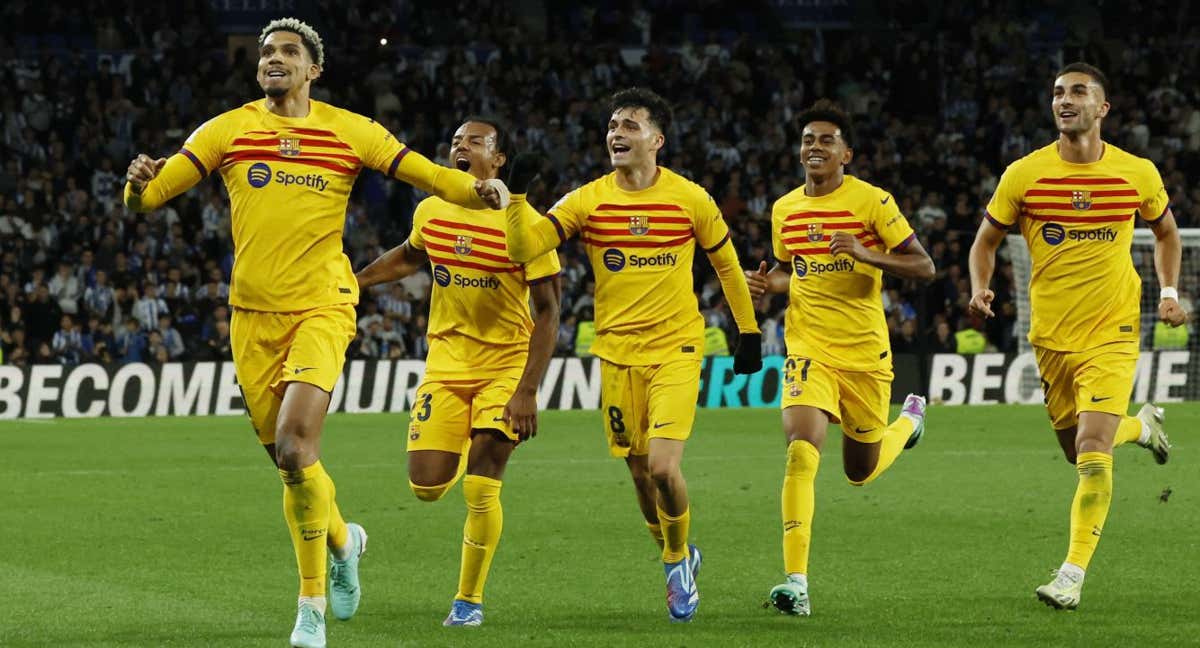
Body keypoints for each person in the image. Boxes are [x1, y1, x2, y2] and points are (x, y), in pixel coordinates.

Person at [122, 17, 508, 648]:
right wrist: (134, 186)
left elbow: (424, 173)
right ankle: (343, 539)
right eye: (267, 52)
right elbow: (151, 197)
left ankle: (310, 610)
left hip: (322, 306)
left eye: (289, 52)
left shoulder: (350, 130)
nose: (274, 58)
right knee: (290, 465)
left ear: (313, 70)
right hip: (252, 316)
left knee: (298, 447)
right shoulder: (228, 129)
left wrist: (478, 189)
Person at [503, 87, 762, 622]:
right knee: (641, 474)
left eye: (629, 126)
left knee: (665, 469)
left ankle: (674, 563)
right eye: (612, 125)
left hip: (677, 348)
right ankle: (678, 553)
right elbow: (524, 249)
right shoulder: (587, 200)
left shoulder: (691, 198)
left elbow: (729, 268)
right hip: (617, 355)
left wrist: (749, 333)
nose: (616, 134)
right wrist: (518, 201)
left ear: (657, 140)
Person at [968, 62, 1185, 611]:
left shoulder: (1136, 172)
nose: (1065, 100)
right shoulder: (1024, 174)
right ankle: (1142, 427)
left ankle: (1071, 574)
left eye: (1078, 92)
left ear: (1102, 108)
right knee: (1076, 449)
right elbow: (985, 241)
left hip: (1112, 328)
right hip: (1050, 335)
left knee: (1091, 450)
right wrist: (980, 287)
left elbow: (1166, 232)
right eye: (1058, 93)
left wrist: (1169, 290)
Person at [356, 117, 561, 627]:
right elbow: (409, 256)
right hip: (446, 364)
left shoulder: (528, 223)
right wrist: (355, 281)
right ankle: (470, 441)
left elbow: (550, 310)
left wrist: (528, 391)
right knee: (426, 486)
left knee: (481, 484)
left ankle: (468, 601)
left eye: (474, 141)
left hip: (506, 367)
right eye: (454, 141)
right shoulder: (432, 209)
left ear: (499, 160)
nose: (459, 147)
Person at [743, 99, 934, 617]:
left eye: (826, 140)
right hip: (807, 348)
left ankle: (906, 425)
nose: (815, 147)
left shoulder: (872, 202)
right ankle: (796, 583)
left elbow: (924, 266)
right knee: (802, 448)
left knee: (859, 473)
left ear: (847, 152)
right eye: (808, 139)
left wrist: (867, 253)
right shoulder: (785, 208)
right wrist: (767, 283)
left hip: (865, 354)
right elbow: (792, 270)